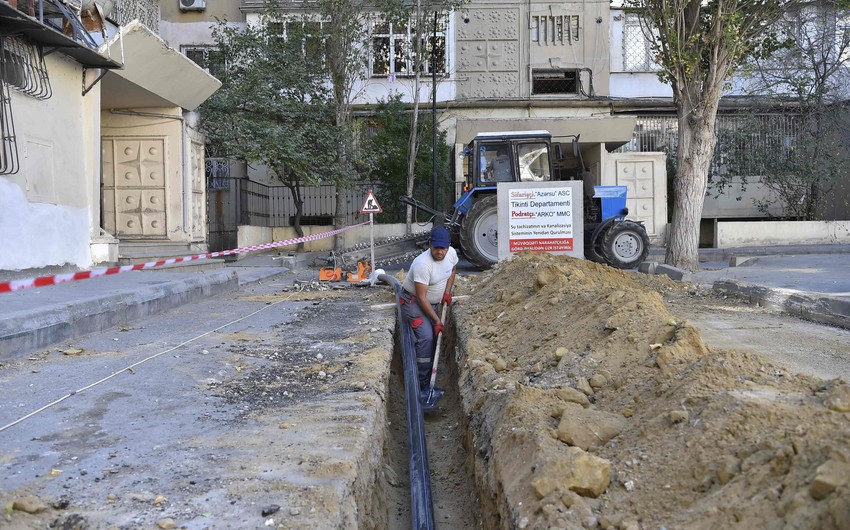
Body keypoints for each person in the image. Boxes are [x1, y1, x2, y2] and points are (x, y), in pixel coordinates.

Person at [400, 226, 458, 393]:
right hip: (413, 302)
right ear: (430, 245)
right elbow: (421, 297)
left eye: (443, 248)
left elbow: (453, 269)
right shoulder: (422, 264)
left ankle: (430, 376)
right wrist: (437, 321)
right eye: (436, 248)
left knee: (434, 336)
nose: (440, 252)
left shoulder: (451, 253)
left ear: (448, 246)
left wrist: (447, 292)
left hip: (431, 303)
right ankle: (421, 385)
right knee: (426, 338)